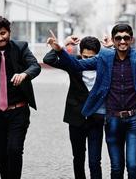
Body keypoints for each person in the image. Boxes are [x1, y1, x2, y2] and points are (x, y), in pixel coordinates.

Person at [46, 23, 136, 179]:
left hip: (135, 118)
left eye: (126, 38)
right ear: (113, 41)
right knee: (116, 168)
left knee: (133, 165)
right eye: (118, 38)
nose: (122, 41)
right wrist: (60, 49)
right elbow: (76, 65)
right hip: (113, 119)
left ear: (131, 39)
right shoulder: (104, 58)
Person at [0, 16, 41, 179]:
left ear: (9, 32)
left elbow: (35, 66)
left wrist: (24, 74)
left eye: (3, 33)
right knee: (2, 154)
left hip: (18, 111)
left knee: (14, 149)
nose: (0, 38)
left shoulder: (21, 48)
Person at [43, 35, 105, 179]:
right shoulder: (74, 62)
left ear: (97, 55)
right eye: (84, 56)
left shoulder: (103, 64)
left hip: (96, 118)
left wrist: (111, 47)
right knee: (78, 158)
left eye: (92, 57)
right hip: (76, 117)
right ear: (80, 53)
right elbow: (48, 60)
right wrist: (64, 44)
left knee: (95, 161)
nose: (88, 60)